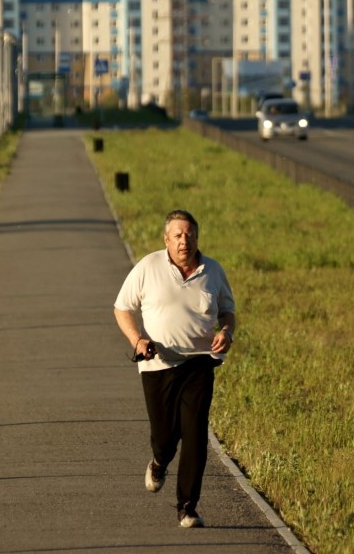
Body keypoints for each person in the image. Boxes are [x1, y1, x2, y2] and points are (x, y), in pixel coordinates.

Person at [112, 209, 236, 529]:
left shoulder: (213, 271)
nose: (185, 240)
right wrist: (137, 340)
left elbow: (228, 313)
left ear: (198, 237)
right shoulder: (148, 267)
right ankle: (159, 462)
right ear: (166, 239)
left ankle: (187, 507)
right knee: (166, 437)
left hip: (199, 364)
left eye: (190, 234)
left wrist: (226, 332)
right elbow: (122, 307)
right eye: (178, 235)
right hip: (158, 364)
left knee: (195, 436)